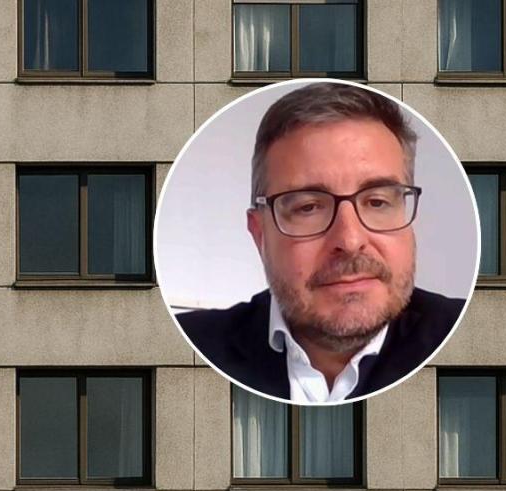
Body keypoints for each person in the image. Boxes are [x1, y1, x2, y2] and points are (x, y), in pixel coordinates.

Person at [177, 82, 465, 403]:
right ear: (260, 234)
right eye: (308, 207)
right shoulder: (185, 350)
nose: (350, 239)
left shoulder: (473, 341)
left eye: (378, 202)